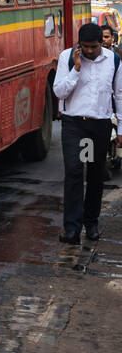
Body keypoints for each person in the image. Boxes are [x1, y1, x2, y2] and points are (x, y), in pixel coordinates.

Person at [53, 21, 122, 244]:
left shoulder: (113, 60)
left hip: (99, 126)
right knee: (74, 172)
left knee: (94, 174)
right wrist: (76, 68)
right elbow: (59, 91)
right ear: (79, 44)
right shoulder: (67, 57)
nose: (90, 51)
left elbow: (120, 96)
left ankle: (91, 223)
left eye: (94, 47)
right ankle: (71, 228)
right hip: (74, 124)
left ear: (102, 42)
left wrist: (121, 129)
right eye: (85, 47)